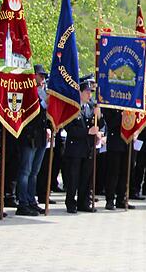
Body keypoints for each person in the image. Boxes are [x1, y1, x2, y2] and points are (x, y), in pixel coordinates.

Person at [15, 64, 50, 216]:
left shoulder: (42, 92)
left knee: (34, 172)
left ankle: (31, 200)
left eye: (44, 77)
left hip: (41, 136)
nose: (43, 79)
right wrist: (44, 103)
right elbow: (32, 111)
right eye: (40, 76)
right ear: (33, 75)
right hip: (29, 136)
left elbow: (45, 116)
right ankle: (23, 203)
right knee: (25, 171)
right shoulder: (28, 91)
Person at [63, 81, 100, 214]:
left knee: (85, 177)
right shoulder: (73, 107)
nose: (89, 94)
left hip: (87, 148)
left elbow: (97, 125)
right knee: (73, 178)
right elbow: (69, 128)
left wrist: (98, 116)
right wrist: (87, 132)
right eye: (87, 91)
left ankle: (83, 202)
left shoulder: (91, 107)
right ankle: (70, 203)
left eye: (90, 92)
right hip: (75, 149)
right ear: (80, 92)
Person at [102, 108, 133, 210]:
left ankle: (121, 199)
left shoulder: (128, 106)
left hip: (127, 142)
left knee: (125, 173)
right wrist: (121, 115)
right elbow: (110, 123)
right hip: (115, 142)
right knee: (113, 173)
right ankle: (110, 200)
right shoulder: (111, 105)